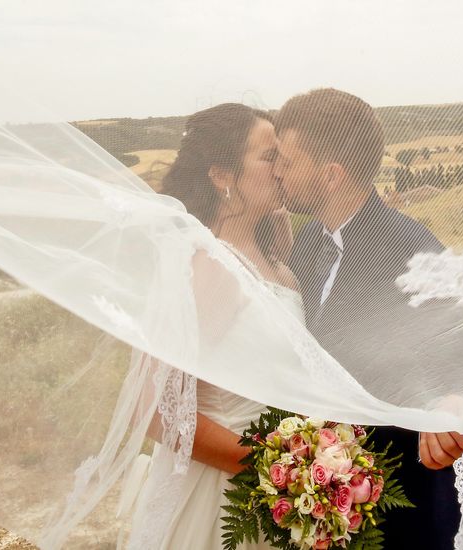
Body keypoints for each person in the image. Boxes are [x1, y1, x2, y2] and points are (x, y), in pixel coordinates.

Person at [275, 88, 463, 549]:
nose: (278, 171)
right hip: (325, 505)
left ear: (331, 175)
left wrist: (453, 406)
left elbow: (453, 364)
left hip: (401, 511)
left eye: (287, 159)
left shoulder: (414, 251)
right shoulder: (305, 246)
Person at [127, 103, 302, 549]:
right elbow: (156, 410)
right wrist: (276, 469)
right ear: (222, 176)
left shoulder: (279, 267)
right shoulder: (211, 268)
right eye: (269, 157)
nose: (283, 170)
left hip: (283, 496)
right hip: (224, 501)